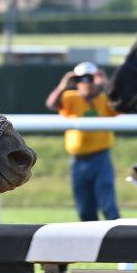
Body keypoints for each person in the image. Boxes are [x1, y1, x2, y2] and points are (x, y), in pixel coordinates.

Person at [46, 61, 121, 221]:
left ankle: (118, 242)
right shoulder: (70, 98)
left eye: (90, 78)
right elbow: (52, 104)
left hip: (101, 158)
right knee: (85, 210)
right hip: (78, 161)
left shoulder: (104, 99)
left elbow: (120, 105)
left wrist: (106, 84)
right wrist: (63, 85)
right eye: (81, 78)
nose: (86, 83)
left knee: (108, 206)